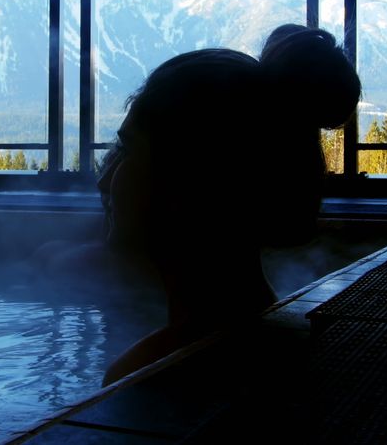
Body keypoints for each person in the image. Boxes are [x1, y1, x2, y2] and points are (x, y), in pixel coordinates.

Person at [97, 24, 361, 385]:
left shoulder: (156, 374)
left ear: (191, 182)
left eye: (126, 152)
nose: (103, 181)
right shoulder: (272, 329)